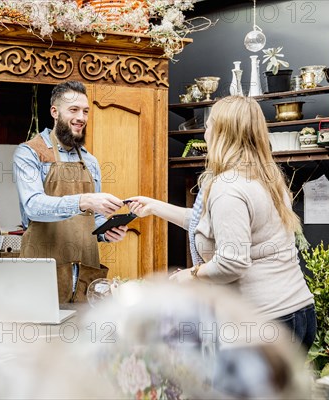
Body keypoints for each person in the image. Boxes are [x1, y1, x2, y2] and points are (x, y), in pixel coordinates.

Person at [127, 96, 316, 350]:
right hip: (299, 313)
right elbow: (213, 227)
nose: (205, 133)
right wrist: (155, 207)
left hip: (261, 322)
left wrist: (190, 275)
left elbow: (231, 262)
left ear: (222, 133)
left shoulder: (228, 188)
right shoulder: (267, 177)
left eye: (208, 126)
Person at [13, 81, 127, 302]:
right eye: (73, 110)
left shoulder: (90, 161)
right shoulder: (29, 153)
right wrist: (83, 200)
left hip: (86, 276)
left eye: (85, 111)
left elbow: (93, 218)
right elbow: (33, 206)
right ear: (55, 112)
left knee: (84, 334)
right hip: (42, 274)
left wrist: (106, 231)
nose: (81, 117)